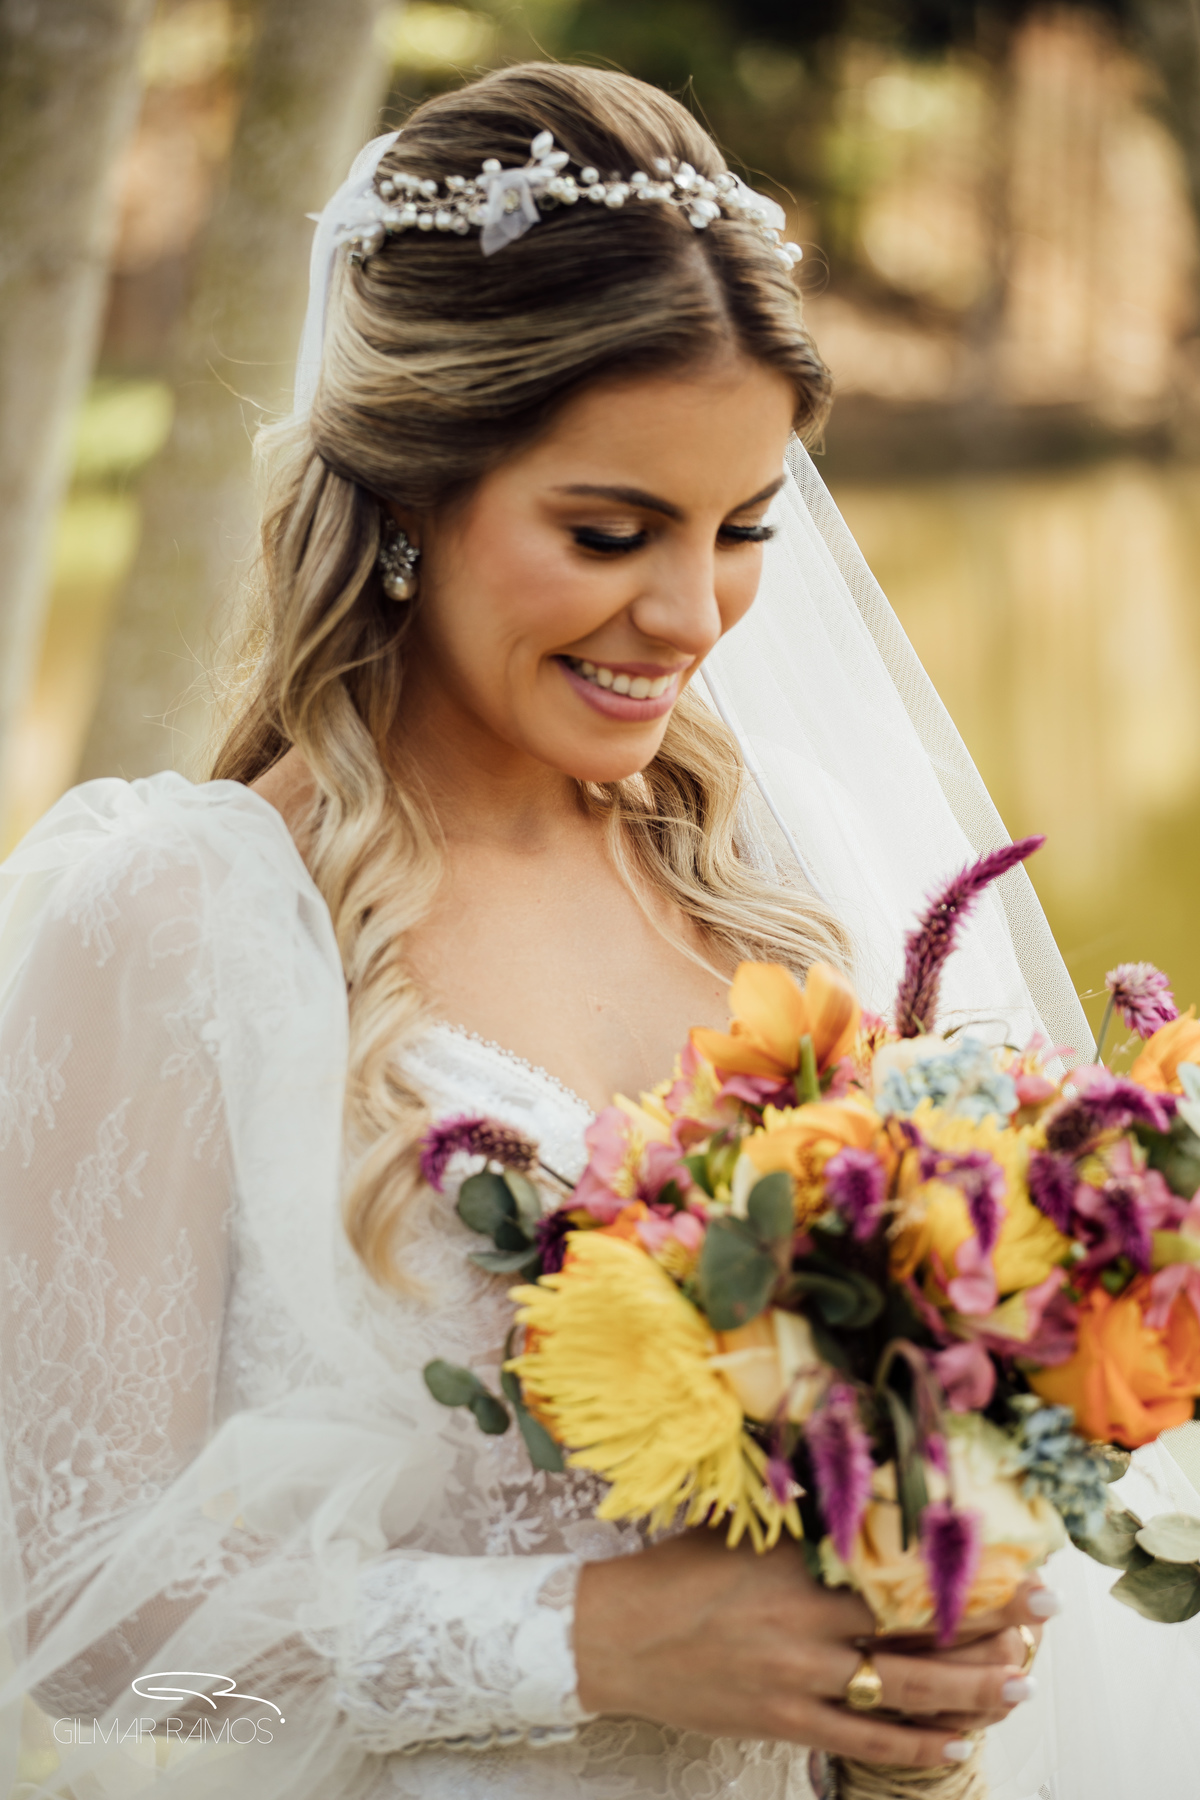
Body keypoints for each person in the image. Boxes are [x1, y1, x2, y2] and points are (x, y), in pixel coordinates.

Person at [2, 59, 1194, 1800]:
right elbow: (77, 1630)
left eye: (741, 529)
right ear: (411, 492)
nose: (690, 613)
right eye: (610, 530)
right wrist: (587, 1635)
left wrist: (960, 1544)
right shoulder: (175, 920)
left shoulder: (788, 847)